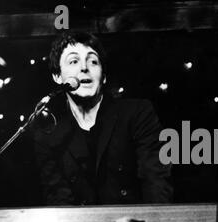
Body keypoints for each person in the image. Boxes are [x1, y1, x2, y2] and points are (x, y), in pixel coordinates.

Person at [33, 31, 172, 205]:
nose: (84, 68)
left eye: (93, 61)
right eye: (74, 61)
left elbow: (156, 183)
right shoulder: (48, 134)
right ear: (57, 76)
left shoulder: (137, 114)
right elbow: (58, 200)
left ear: (103, 76)